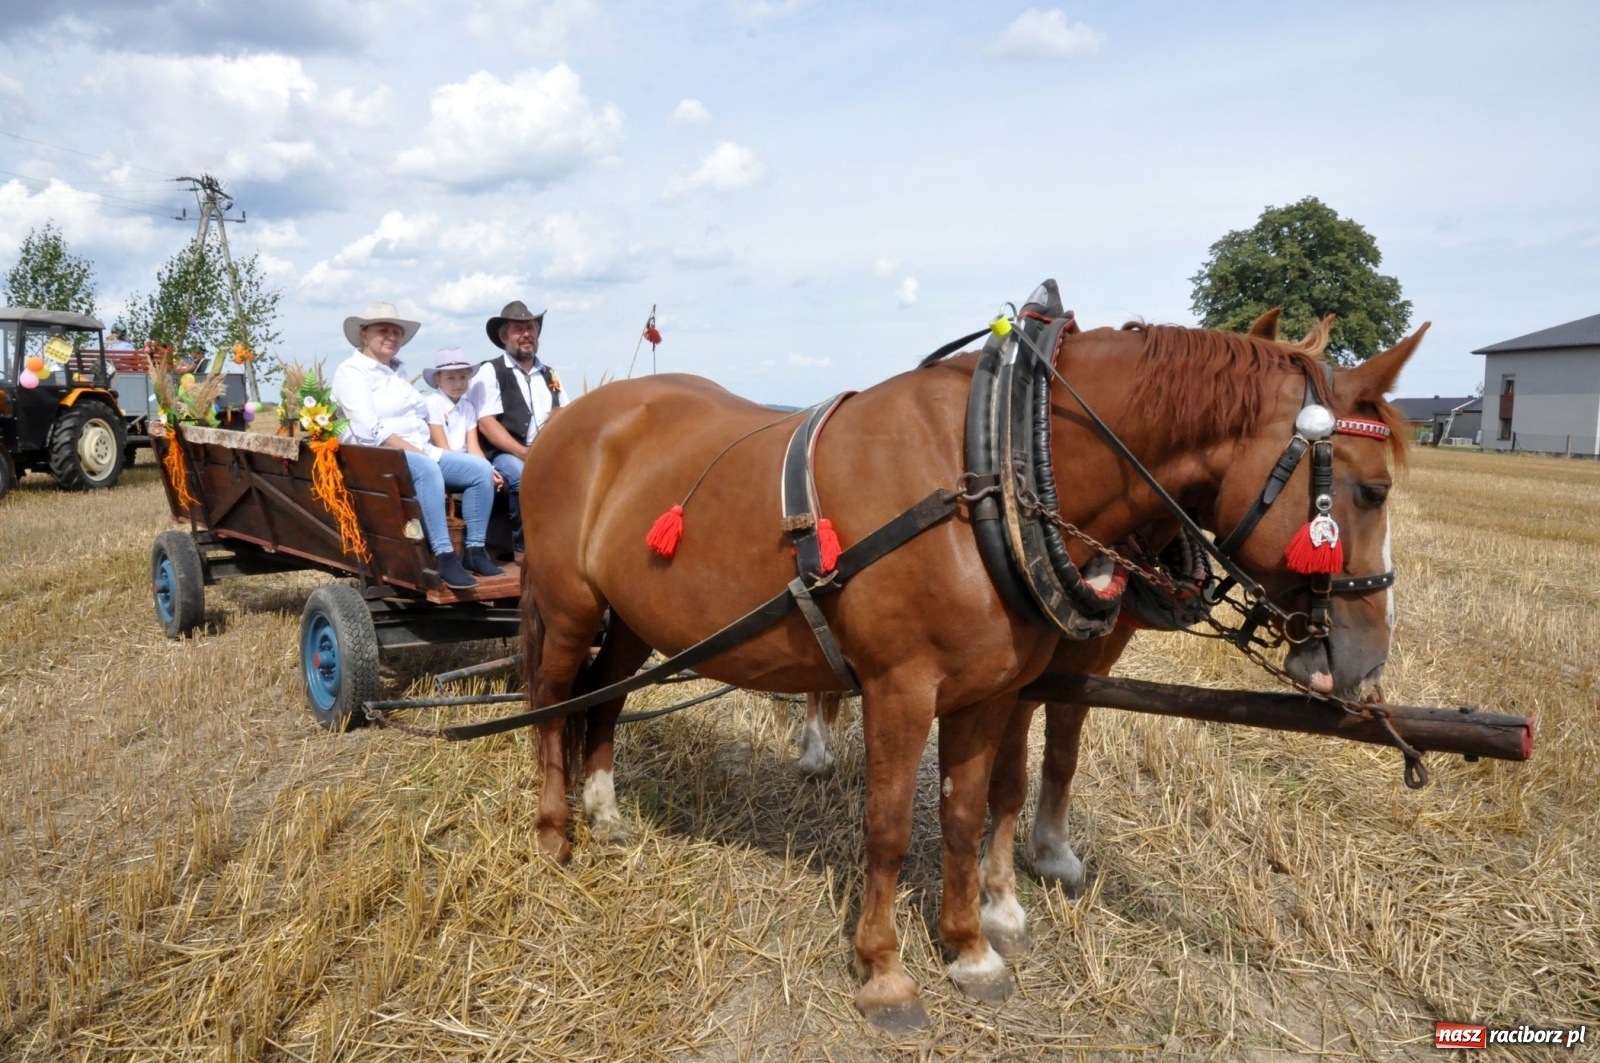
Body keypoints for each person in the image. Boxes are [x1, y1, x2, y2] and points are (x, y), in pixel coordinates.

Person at [331, 301, 502, 590]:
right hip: (377, 456)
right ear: (364, 334)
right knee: (427, 468)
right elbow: (370, 428)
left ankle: (474, 550)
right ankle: (444, 554)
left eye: (396, 332)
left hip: (418, 450)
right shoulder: (352, 372)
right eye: (383, 330)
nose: (391, 336)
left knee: (480, 470)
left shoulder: (396, 372)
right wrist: (417, 452)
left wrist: (426, 450)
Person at [468, 300, 562, 554]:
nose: (526, 334)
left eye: (530, 328)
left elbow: (563, 415)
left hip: (543, 450)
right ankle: (525, 546)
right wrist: (523, 453)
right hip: (503, 453)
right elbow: (486, 423)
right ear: (503, 337)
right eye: (518, 330)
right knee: (523, 477)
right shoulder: (491, 371)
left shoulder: (550, 374)